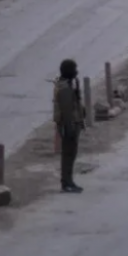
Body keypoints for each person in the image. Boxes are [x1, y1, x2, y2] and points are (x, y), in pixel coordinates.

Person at [53, 59, 85, 193]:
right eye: (74, 69)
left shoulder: (67, 85)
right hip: (69, 125)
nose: (76, 71)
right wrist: (70, 128)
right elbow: (67, 111)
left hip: (71, 123)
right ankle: (67, 182)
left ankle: (68, 181)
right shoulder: (65, 88)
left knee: (70, 154)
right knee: (68, 154)